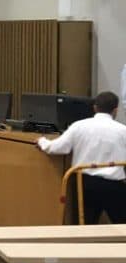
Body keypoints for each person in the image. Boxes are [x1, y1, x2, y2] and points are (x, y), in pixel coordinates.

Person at [37, 91, 126, 223]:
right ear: (115, 110)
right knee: (122, 227)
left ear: (95, 108)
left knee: (84, 227)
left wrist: (42, 141)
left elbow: (56, 148)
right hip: (114, 186)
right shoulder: (123, 130)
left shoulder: (79, 126)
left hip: (84, 184)